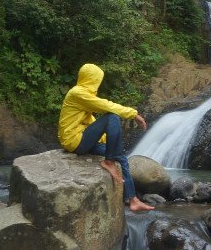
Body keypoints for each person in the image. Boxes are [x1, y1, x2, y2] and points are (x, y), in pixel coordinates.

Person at [58, 63, 154, 212]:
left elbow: (90, 124)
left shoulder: (83, 97)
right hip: (74, 141)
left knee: (121, 156)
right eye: (97, 80)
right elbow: (107, 106)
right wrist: (133, 114)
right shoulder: (77, 94)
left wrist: (112, 146)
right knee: (112, 117)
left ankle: (133, 199)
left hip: (82, 140)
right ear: (92, 79)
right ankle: (109, 162)